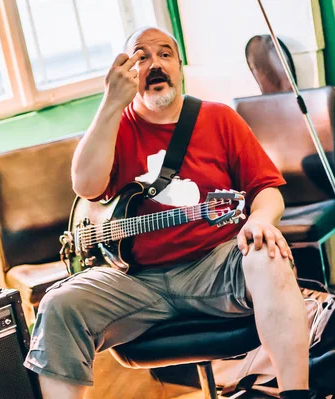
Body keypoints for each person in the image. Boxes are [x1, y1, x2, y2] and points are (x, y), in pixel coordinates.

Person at [24, 27, 310, 399]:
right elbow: (86, 187)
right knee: (58, 306)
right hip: (134, 280)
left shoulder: (219, 119)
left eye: (164, 54)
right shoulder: (116, 126)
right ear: (126, 72)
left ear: (179, 66)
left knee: (269, 255)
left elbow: (266, 191)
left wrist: (258, 221)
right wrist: (111, 104)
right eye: (141, 57)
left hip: (216, 267)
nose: (155, 64)